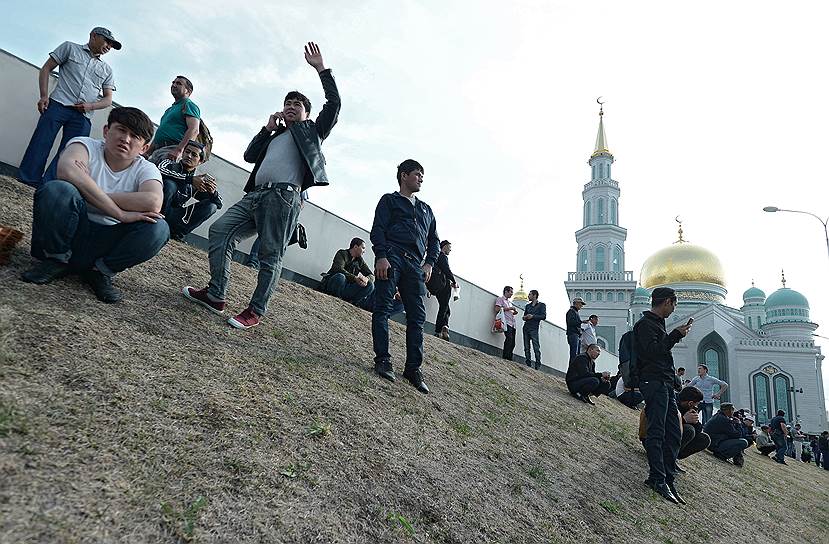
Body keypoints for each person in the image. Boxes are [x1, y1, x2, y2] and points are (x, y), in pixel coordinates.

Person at [183, 42, 339, 330]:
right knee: (220, 231)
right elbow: (249, 156)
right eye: (287, 103)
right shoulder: (274, 135)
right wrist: (266, 128)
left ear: (306, 113)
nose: (290, 107)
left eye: (297, 105)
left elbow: (334, 105)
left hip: (284, 198)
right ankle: (216, 295)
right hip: (256, 195)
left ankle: (255, 311)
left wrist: (321, 68)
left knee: (270, 255)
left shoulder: (312, 132)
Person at [20, 107, 168, 303]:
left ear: (144, 148)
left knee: (158, 228)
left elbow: (153, 202)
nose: (126, 139)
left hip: (106, 240)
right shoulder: (85, 145)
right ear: (107, 131)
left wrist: (87, 191)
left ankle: (100, 271)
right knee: (58, 190)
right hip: (70, 228)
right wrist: (120, 213)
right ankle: (55, 260)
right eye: (121, 130)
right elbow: (66, 171)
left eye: (135, 136)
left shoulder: (147, 169)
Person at [369, 159, 439, 394]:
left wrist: (429, 263)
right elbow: (378, 228)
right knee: (383, 308)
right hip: (391, 256)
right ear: (403, 175)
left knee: (417, 317)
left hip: (415, 266)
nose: (421, 178)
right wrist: (381, 255)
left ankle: (413, 368)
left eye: (422, 175)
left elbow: (434, 242)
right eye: (417, 174)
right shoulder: (389, 200)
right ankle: (383, 359)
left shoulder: (427, 210)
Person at [18, 27, 120, 186]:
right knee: (41, 142)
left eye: (111, 45)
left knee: (70, 153)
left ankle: (49, 185)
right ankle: (27, 179)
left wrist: (90, 106)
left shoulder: (107, 70)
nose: (109, 46)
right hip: (58, 104)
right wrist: (44, 95)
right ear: (94, 36)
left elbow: (107, 100)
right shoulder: (70, 47)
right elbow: (46, 68)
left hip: (83, 116)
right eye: (107, 41)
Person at [630, 286, 692, 505]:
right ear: (666, 302)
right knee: (657, 431)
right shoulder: (645, 325)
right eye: (673, 304)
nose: (673, 310)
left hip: (664, 383)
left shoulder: (658, 325)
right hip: (653, 382)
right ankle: (657, 478)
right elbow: (652, 352)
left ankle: (667, 477)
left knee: (674, 432)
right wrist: (676, 335)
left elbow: (662, 354)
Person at [156, 140, 222, 240]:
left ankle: (176, 234)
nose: (189, 156)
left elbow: (219, 204)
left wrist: (212, 192)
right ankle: (156, 222)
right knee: (170, 185)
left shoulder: (196, 183)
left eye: (194, 154)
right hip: (157, 210)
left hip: (175, 216)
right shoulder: (168, 164)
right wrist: (189, 180)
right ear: (182, 153)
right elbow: (160, 171)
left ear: (200, 161)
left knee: (211, 206)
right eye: (187, 152)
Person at [147, 76, 201, 164]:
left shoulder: (189, 105)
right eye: (173, 82)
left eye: (179, 83)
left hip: (172, 151)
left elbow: (194, 130)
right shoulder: (169, 110)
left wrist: (179, 150)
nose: (174, 85)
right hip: (158, 151)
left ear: (188, 91)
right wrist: (147, 152)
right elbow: (160, 133)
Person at [320, 237, 374, 308]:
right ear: (355, 247)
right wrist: (355, 278)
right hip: (335, 284)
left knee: (370, 285)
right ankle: (335, 298)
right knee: (340, 277)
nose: (364, 251)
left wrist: (366, 279)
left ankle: (352, 303)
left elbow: (371, 275)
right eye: (363, 248)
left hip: (347, 288)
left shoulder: (360, 261)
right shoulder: (342, 253)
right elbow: (338, 269)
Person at [429, 240, 457, 340]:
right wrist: (454, 281)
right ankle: (438, 330)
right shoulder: (442, 256)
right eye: (449, 247)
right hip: (443, 286)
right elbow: (446, 269)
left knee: (445, 308)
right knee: (444, 308)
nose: (450, 249)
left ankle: (444, 326)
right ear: (444, 246)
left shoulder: (436, 256)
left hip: (438, 286)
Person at [677, 386, 711, 462]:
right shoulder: (671, 403)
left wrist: (694, 420)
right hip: (657, 440)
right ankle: (668, 455)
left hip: (671, 440)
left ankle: (674, 456)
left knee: (704, 438)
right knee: (689, 430)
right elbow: (665, 424)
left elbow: (698, 431)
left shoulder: (688, 409)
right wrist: (684, 419)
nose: (697, 407)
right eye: (696, 404)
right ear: (690, 403)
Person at [522, 289, 546, 370]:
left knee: (536, 347)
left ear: (534, 295)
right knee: (526, 347)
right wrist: (526, 317)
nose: (528, 296)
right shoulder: (527, 306)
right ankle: (528, 363)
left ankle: (537, 364)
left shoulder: (541, 305)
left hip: (534, 328)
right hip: (526, 327)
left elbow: (543, 316)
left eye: (530, 295)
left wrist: (533, 316)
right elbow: (523, 317)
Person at [495, 286, 519, 360]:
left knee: (513, 342)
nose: (512, 294)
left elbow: (508, 311)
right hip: (506, 322)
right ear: (506, 291)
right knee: (509, 339)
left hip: (512, 324)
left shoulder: (509, 302)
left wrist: (514, 312)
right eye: (511, 292)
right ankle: (505, 357)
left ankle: (509, 357)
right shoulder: (500, 299)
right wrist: (510, 308)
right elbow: (497, 309)